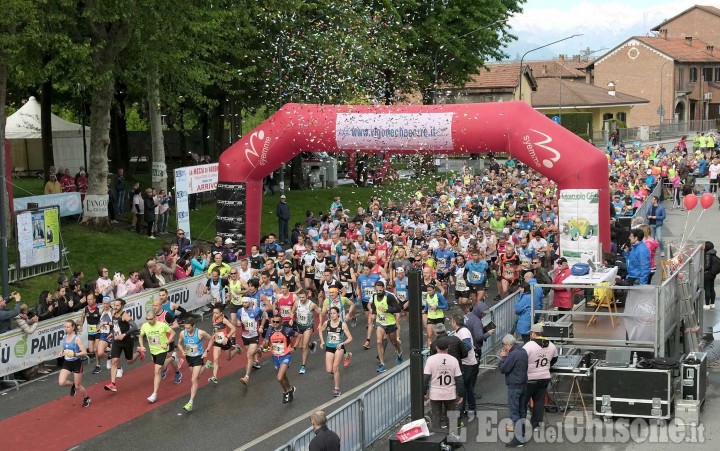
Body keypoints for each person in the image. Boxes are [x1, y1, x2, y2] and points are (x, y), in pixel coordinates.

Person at [423, 337, 465, 429]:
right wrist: (461, 394)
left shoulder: (430, 360)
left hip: (435, 393)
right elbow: (459, 379)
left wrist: (424, 393)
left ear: (437, 348)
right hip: (450, 393)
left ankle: (436, 438)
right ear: (448, 347)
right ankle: (452, 438)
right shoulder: (453, 360)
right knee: (451, 416)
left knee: (436, 416)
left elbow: (426, 378)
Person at [522, 324, 558, 431]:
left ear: (533, 333)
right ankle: (536, 424)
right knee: (539, 401)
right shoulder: (551, 345)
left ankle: (521, 424)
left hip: (530, 378)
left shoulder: (529, 345)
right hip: (544, 377)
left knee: (523, 402)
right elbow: (555, 359)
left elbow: (522, 360)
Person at [104, 299, 144, 393]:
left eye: (117, 305)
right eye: (114, 305)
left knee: (129, 361)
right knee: (114, 360)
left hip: (126, 341)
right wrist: (112, 333)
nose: (115, 307)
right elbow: (116, 327)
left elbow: (135, 327)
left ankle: (139, 353)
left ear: (122, 306)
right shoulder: (113, 313)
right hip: (117, 341)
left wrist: (124, 335)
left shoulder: (124, 315)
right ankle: (112, 384)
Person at [138, 310, 176, 403]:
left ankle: (154, 394)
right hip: (153, 351)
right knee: (162, 367)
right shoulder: (145, 326)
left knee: (157, 370)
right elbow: (140, 336)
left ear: (155, 318)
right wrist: (142, 346)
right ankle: (173, 358)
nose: (149, 321)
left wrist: (167, 343)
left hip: (162, 350)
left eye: (151, 319)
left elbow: (173, 333)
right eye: (147, 319)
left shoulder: (162, 325)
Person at [177, 316, 213, 412]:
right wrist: (182, 351)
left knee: (193, 379)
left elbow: (211, 339)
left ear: (194, 326)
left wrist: (207, 351)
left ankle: (190, 402)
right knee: (197, 377)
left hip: (198, 357)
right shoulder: (182, 333)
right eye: (185, 327)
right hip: (189, 357)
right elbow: (179, 344)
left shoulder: (200, 333)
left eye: (189, 328)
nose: (187, 329)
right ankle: (207, 366)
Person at [498, 334, 528, 447]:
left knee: (514, 413)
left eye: (504, 346)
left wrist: (503, 357)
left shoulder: (513, 354)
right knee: (521, 411)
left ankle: (518, 439)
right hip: (523, 384)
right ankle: (522, 435)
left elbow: (503, 369)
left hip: (514, 386)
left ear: (508, 344)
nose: (504, 348)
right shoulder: (523, 351)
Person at [318, 306, 353, 396]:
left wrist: (342, 344)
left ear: (338, 314)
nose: (332, 315)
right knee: (329, 370)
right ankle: (347, 356)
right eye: (331, 313)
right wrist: (322, 342)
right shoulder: (327, 323)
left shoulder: (343, 325)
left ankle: (336, 389)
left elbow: (350, 338)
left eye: (334, 313)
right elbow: (320, 330)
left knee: (335, 367)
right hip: (329, 347)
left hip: (338, 348)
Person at [451, 314, 479, 419]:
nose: (451, 323)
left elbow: (467, 346)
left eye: (452, 321)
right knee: (466, 388)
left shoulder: (463, 332)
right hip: (465, 363)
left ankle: (469, 409)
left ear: (455, 322)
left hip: (468, 364)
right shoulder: (459, 332)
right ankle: (467, 409)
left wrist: (458, 354)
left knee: (466, 388)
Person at [371, 281, 403, 373]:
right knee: (379, 341)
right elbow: (374, 306)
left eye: (380, 289)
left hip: (390, 323)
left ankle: (399, 352)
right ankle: (382, 364)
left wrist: (386, 310)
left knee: (394, 342)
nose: (379, 291)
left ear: (383, 288)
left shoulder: (389, 296)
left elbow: (398, 308)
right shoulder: (374, 296)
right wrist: (373, 313)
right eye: (377, 290)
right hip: (380, 322)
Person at [264, 314, 297, 403]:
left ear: (281, 322)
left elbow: (299, 336)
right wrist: (264, 345)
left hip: (286, 355)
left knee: (279, 378)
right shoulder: (269, 331)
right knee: (284, 376)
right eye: (273, 322)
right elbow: (266, 343)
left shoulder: (287, 330)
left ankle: (285, 392)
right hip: (275, 357)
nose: (275, 323)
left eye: (277, 322)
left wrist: (295, 347)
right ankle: (290, 389)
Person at [58, 320, 91, 408]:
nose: (66, 328)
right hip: (67, 363)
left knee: (78, 386)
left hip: (76, 363)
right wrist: (61, 352)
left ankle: (86, 397)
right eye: (65, 327)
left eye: (68, 327)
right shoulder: (64, 337)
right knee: (61, 382)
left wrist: (75, 354)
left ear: (73, 328)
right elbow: (64, 347)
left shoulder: (76, 339)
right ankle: (72, 385)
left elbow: (84, 352)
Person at [207, 304, 241, 383]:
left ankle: (236, 349)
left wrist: (227, 337)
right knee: (215, 359)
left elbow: (233, 328)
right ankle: (214, 377)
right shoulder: (213, 319)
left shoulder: (224, 320)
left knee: (228, 358)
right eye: (213, 313)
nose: (214, 315)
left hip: (225, 342)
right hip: (217, 342)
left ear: (221, 313)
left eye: (216, 313)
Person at [291, 290, 321, 374]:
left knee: (304, 347)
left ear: (307, 296)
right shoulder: (297, 303)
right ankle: (312, 345)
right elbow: (292, 311)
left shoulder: (311, 305)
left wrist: (321, 323)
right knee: (301, 346)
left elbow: (320, 313)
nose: (301, 299)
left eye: (303, 297)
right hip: (299, 325)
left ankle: (303, 366)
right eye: (300, 297)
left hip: (308, 327)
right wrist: (290, 319)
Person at [704, 241, 720, 310]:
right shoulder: (713, 253)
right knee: (711, 288)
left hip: (708, 273)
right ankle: (712, 304)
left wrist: (702, 269)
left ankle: (707, 305)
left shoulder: (707, 254)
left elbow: (707, 266)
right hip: (713, 274)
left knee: (707, 288)